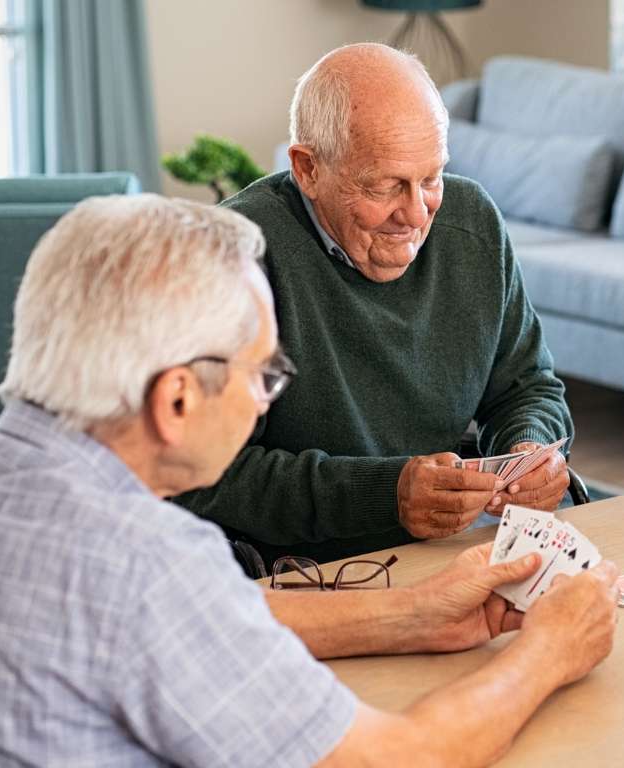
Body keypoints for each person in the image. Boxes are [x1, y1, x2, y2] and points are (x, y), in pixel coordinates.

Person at [0, 195, 620, 766]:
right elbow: (399, 759)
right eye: (262, 375)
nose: (265, 401)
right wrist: (550, 653)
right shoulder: (148, 563)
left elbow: (206, 619)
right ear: (176, 401)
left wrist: (413, 614)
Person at [176, 43, 572, 564]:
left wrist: (529, 450)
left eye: (430, 179)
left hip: (451, 550)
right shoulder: (232, 256)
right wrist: (385, 495)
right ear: (307, 169)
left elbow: (528, 385)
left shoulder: (471, 221)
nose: (415, 213)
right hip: (295, 574)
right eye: (385, 186)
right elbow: (203, 475)